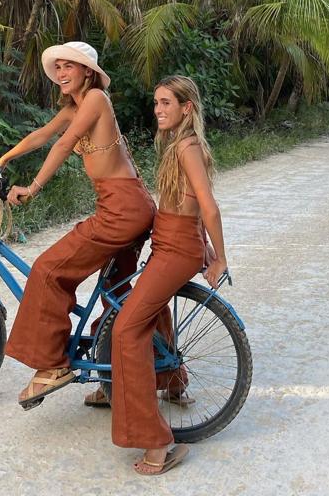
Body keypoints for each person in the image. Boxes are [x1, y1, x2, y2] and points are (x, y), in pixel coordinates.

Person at [0, 41, 156, 408]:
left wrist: (32, 188)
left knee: (49, 270)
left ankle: (52, 366)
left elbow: (65, 144)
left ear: (88, 72)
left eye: (70, 66)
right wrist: (3, 159)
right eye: (59, 68)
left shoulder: (97, 99)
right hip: (125, 205)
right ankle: (132, 376)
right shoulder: (75, 106)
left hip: (121, 209)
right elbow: (43, 136)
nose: (62, 73)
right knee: (122, 298)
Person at [110, 75, 228, 476]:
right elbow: (187, 204)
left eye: (166, 103)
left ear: (186, 108)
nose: (159, 109)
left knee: (126, 331)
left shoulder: (188, 147)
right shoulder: (178, 145)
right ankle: (173, 382)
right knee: (150, 312)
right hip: (172, 243)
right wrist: (204, 248)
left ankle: (159, 443)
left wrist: (220, 257)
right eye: (156, 103)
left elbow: (208, 207)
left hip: (176, 250)